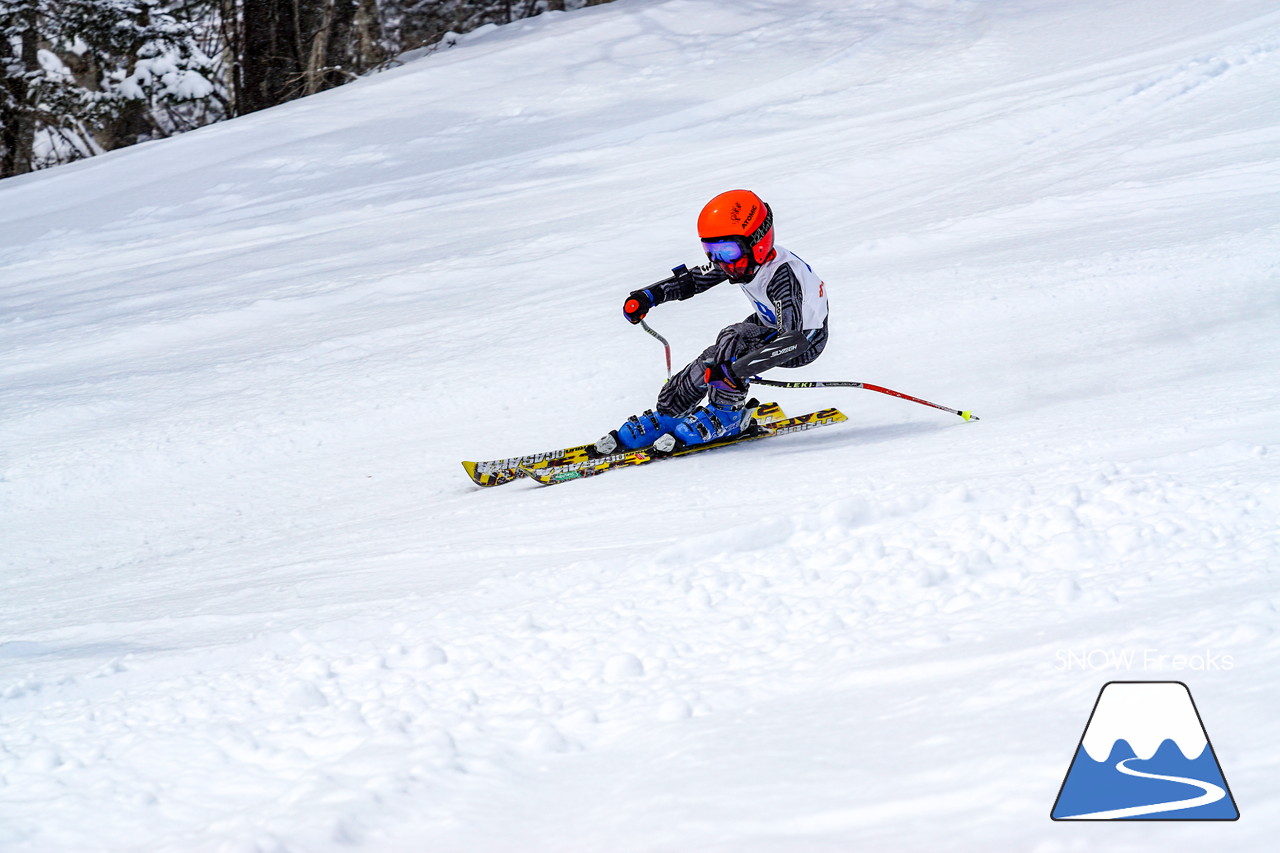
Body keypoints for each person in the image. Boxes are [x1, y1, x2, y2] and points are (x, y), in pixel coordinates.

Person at [597, 189, 830, 454]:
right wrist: (650, 295)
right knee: (713, 357)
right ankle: (670, 413)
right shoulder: (743, 260)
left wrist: (737, 370)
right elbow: (696, 279)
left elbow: (792, 340)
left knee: (733, 340)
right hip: (770, 324)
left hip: (806, 339)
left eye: (727, 250)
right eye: (711, 251)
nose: (721, 262)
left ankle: (727, 415)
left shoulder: (782, 278)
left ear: (757, 241)